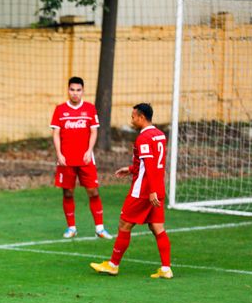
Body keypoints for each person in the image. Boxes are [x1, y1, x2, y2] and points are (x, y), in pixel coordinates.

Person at [90, 103, 173, 279]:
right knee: (157, 227)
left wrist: (150, 191)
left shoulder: (143, 139)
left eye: (133, 116)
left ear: (141, 117)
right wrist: (130, 169)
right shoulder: (159, 135)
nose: (132, 119)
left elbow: (150, 165)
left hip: (143, 190)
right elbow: (153, 163)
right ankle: (166, 268)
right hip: (158, 187)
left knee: (124, 224)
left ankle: (113, 265)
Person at [50, 76, 112, 239]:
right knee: (68, 193)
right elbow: (56, 133)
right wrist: (59, 154)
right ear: (68, 90)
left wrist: (89, 150)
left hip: (86, 159)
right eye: (72, 90)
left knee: (93, 192)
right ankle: (71, 228)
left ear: (83, 91)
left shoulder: (90, 109)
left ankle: (99, 228)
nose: (75, 93)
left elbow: (94, 131)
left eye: (78, 90)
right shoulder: (60, 110)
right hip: (66, 160)